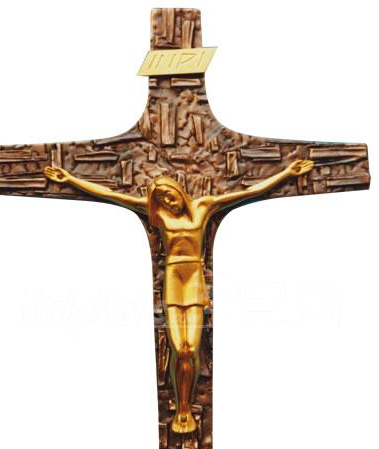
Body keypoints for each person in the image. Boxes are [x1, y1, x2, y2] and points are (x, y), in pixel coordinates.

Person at [45, 158, 313, 433]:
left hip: (194, 279)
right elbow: (113, 195)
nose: (169, 203)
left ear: (179, 191)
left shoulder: (204, 206)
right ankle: (182, 410)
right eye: (163, 200)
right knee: (179, 348)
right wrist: (71, 180)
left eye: (170, 196)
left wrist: (285, 173)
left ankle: (186, 407)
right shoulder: (160, 216)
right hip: (174, 280)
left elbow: (249, 192)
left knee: (190, 348)